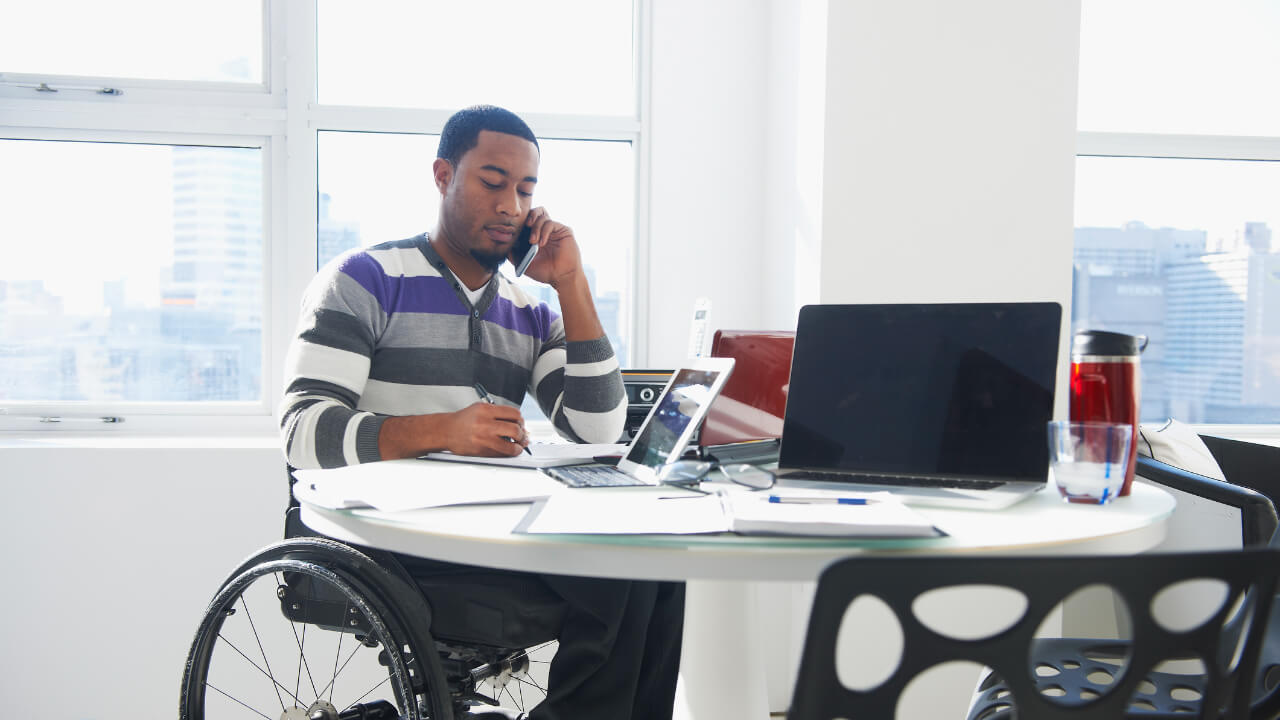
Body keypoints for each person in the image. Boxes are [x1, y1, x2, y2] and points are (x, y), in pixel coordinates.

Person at [280, 105, 684, 720]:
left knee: (655, 563)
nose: (511, 206)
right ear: (443, 174)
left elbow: (598, 428)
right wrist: (444, 430)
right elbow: (303, 432)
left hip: (490, 536)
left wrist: (571, 284)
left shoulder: (528, 311)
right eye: (492, 182)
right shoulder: (363, 280)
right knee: (616, 581)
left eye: (526, 190)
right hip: (385, 546)